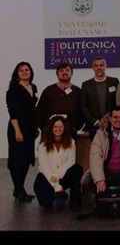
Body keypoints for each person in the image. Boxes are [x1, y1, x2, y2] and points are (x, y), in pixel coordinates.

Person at [84, 106, 120, 197]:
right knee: (87, 182)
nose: (118, 120)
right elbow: (95, 157)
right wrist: (99, 179)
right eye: (115, 117)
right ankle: (106, 199)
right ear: (110, 118)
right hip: (106, 172)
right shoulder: (100, 133)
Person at [33, 115, 83, 211]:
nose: (58, 129)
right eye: (55, 127)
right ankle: (56, 193)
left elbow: (71, 161)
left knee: (77, 169)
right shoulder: (43, 144)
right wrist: (56, 186)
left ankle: (74, 202)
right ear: (51, 128)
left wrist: (57, 176)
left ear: (64, 128)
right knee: (46, 203)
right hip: (48, 176)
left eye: (61, 127)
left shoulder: (71, 142)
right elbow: (44, 166)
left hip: (62, 175)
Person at [6, 61, 38, 202]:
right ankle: (18, 189)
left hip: (30, 128)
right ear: (17, 74)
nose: (24, 72)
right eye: (21, 70)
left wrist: (36, 127)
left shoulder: (33, 87)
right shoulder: (13, 90)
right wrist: (18, 131)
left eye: (27, 70)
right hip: (17, 128)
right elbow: (12, 112)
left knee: (26, 159)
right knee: (17, 160)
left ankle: (21, 188)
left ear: (30, 72)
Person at [35, 62, 82, 135]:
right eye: (61, 71)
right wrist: (45, 128)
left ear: (71, 73)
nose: (64, 72)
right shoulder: (48, 91)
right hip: (50, 133)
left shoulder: (78, 91)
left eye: (67, 70)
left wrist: (76, 128)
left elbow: (82, 111)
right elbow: (39, 111)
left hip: (70, 132)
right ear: (57, 74)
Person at [80, 56, 120, 139]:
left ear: (106, 66)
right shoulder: (86, 85)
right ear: (93, 68)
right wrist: (95, 122)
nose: (99, 68)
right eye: (96, 66)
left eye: (101, 65)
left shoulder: (114, 82)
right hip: (93, 127)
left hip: (112, 124)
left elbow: (118, 103)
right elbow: (84, 107)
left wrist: (110, 119)